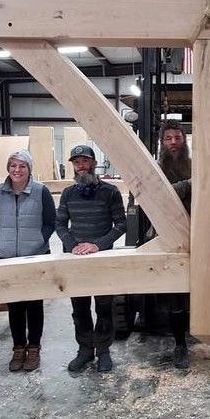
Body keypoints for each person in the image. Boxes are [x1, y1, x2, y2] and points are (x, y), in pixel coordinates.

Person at [157, 120, 210, 371]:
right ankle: (180, 344)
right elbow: (159, 196)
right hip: (170, 236)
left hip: (203, 235)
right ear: (162, 142)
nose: (173, 143)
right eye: (168, 138)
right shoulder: (155, 169)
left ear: (185, 140)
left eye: (177, 138)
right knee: (176, 297)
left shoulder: (195, 166)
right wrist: (190, 184)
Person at [55, 144, 127, 374]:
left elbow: (122, 224)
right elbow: (59, 224)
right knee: (80, 308)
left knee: (104, 307)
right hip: (76, 258)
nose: (81, 166)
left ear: (94, 163)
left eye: (85, 161)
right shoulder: (68, 194)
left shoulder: (110, 192)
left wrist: (98, 245)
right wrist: (73, 246)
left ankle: (103, 350)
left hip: (102, 257)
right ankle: (85, 350)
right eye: (77, 162)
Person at [0, 148, 57, 372]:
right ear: (8, 168)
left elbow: (50, 222)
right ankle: (18, 348)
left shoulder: (40, 191)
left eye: (22, 166)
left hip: (35, 254)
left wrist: (38, 241)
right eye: (13, 166)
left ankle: (34, 348)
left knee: (34, 304)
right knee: (14, 305)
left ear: (29, 169)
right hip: (6, 256)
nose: (17, 170)